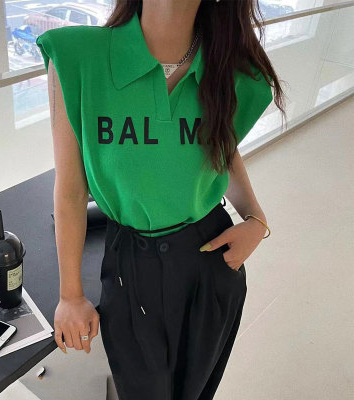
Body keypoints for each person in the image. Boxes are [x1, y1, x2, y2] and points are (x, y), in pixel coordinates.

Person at [36, 0, 286, 399]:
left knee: (196, 391)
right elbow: (70, 190)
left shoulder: (229, 68)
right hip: (131, 264)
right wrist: (70, 295)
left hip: (210, 257)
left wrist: (256, 219)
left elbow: (221, 148)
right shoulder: (77, 57)